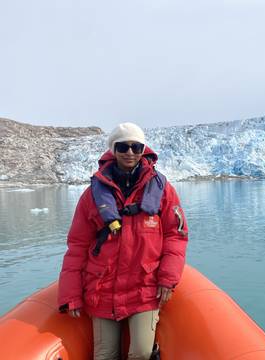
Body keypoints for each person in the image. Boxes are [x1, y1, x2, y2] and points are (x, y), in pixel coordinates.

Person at [58, 122, 188, 360]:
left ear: (143, 150)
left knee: (140, 353)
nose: (130, 152)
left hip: (144, 287)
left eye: (136, 147)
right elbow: (77, 246)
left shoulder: (162, 190)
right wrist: (71, 294)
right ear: (113, 149)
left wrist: (168, 278)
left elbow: (175, 235)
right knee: (104, 355)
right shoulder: (91, 196)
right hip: (102, 289)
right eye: (123, 147)